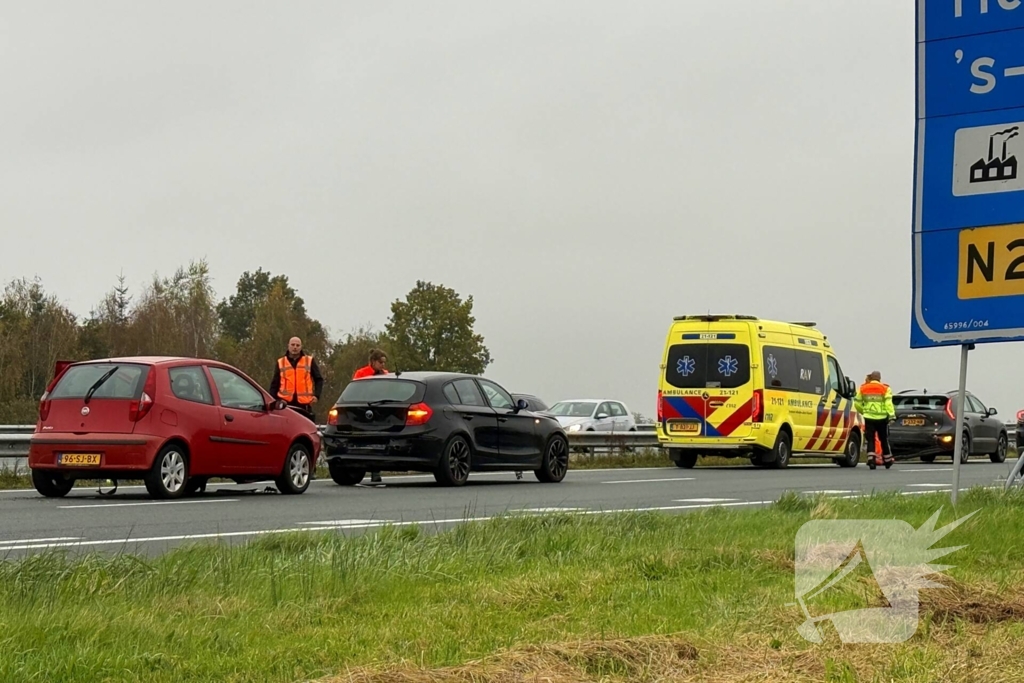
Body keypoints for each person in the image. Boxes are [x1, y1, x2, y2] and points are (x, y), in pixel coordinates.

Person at [352, 348, 388, 487]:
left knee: (378, 441)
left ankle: (376, 471)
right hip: (363, 410)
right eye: (380, 362)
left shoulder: (385, 375)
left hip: (380, 411)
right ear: (373, 362)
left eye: (384, 362)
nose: (383, 365)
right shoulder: (362, 374)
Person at [269, 337, 323, 423]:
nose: (295, 347)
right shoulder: (281, 362)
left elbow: (319, 379)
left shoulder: (309, 361)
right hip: (285, 404)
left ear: (301, 347)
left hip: (304, 405)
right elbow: (274, 384)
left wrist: (316, 395)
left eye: (297, 345)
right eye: (293, 345)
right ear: (288, 346)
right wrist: (273, 400)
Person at [854, 370, 896, 470]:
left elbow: (857, 403)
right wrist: (891, 415)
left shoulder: (863, 388)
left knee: (871, 439)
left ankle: (871, 460)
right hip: (882, 418)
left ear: (871, 377)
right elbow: (888, 404)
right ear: (879, 378)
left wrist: (864, 411)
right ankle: (887, 460)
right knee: (883, 439)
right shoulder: (885, 388)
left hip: (869, 417)